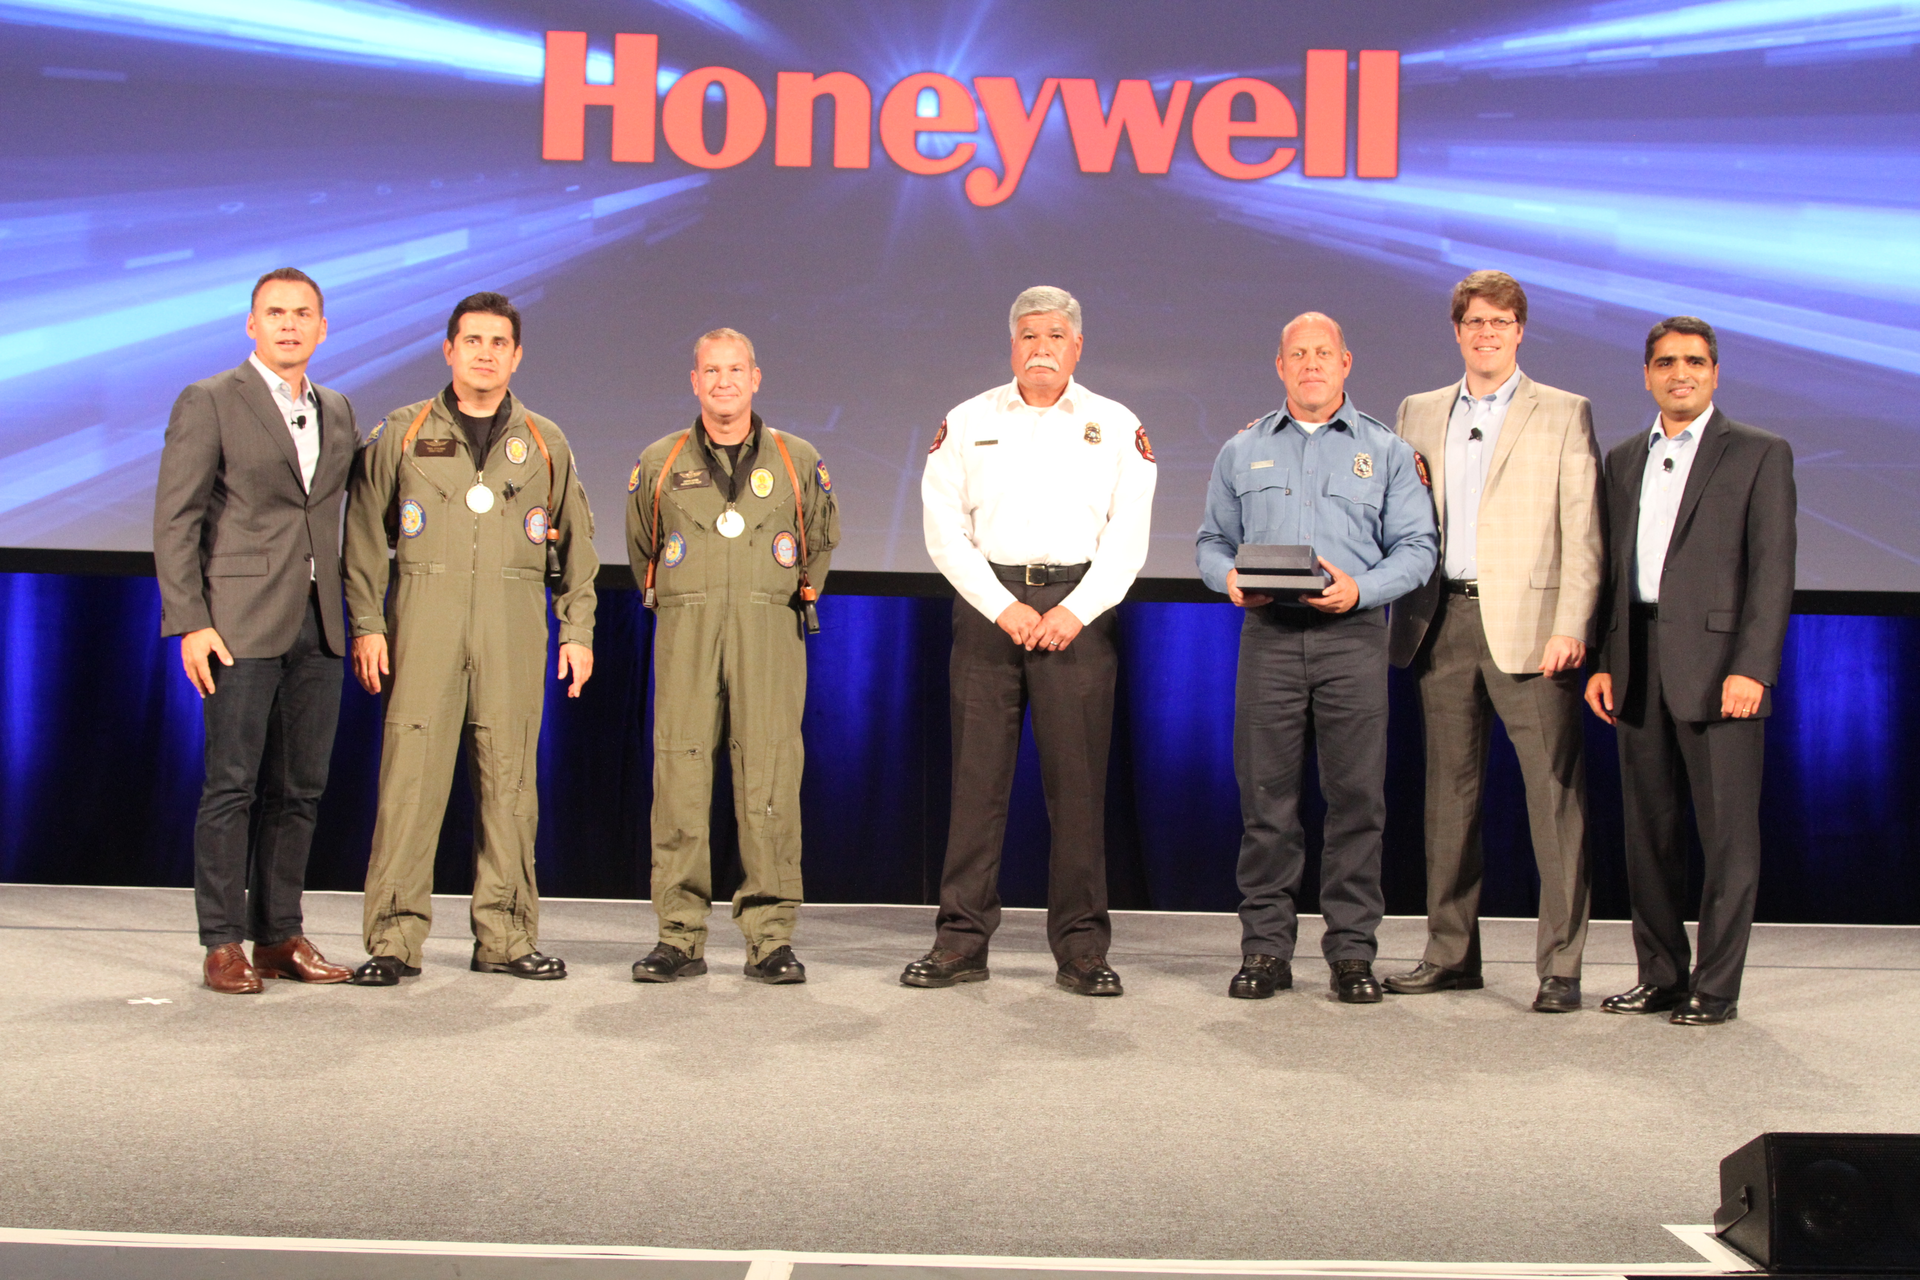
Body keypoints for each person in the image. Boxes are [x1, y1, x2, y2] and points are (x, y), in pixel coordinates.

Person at [341, 292, 598, 986]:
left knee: (510, 785)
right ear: (449, 350)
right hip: (424, 621)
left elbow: (578, 548)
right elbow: (362, 535)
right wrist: (367, 623)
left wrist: (577, 630)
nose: (485, 353)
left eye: (498, 342)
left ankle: (507, 938)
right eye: (473, 340)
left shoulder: (545, 441)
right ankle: (394, 940)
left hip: (512, 626)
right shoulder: (400, 432)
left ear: (517, 356)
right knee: (409, 784)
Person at [906, 285, 1156, 997]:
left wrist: (1075, 611)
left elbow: (1128, 537)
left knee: (1077, 790)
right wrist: (999, 605)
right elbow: (942, 528)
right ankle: (961, 940)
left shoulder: (1116, 425)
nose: (1040, 348)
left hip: (1078, 614)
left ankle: (1081, 948)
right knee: (976, 785)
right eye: (1028, 335)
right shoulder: (966, 421)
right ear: (1011, 344)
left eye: (1054, 336)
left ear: (1077, 346)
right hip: (990, 611)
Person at [1197, 312, 1436, 1004]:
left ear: (1345, 362)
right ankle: (1265, 951)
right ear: (1280, 366)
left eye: (1322, 352)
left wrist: (1363, 589)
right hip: (1269, 639)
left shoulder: (1387, 451)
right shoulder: (1241, 450)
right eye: (1297, 353)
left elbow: (1418, 549)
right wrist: (1228, 578)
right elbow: (1211, 542)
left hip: (1352, 640)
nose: (1310, 363)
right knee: (1266, 804)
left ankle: (1352, 953)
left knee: (1357, 803)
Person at [1384, 271, 1604, 1013]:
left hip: (1533, 631)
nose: (1487, 333)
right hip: (1439, 621)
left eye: (1501, 322)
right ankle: (1450, 954)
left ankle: (1561, 967)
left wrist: (1572, 624)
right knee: (1447, 801)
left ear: (1520, 331)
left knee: (1554, 800)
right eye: (1475, 321)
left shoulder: (1564, 411)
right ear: (1457, 331)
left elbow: (1584, 531)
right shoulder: (1417, 410)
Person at [1586, 317, 1795, 1026]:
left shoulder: (1760, 452)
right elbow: (1612, 571)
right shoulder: (1623, 458)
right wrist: (1605, 659)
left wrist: (1753, 668)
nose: (1682, 373)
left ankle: (1717, 988)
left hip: (1721, 670)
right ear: (1647, 374)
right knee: (1649, 837)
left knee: (1727, 839)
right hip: (1636, 664)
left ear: (1715, 373)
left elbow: (1773, 570)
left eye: (1696, 362)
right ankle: (1661, 977)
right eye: (1667, 362)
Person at [154, 267, 357, 994]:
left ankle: (278, 936)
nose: (288, 324)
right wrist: (191, 623)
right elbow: (176, 520)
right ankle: (222, 943)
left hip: (319, 623)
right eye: (275, 312)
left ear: (322, 328)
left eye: (302, 313)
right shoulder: (209, 399)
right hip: (237, 624)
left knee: (300, 789)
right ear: (252, 324)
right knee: (232, 785)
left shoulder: (337, 407)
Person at [626, 328, 838, 985]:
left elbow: (820, 542)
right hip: (687, 631)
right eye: (712, 370)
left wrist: (770, 598)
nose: (724, 382)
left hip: (768, 629)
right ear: (695, 380)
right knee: (680, 780)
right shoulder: (659, 461)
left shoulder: (797, 459)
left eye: (735, 369)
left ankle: (770, 939)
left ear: (755, 378)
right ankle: (678, 937)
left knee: (769, 779)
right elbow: (643, 548)